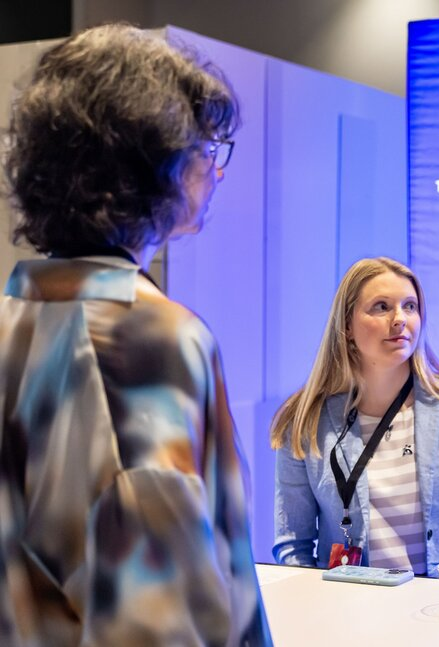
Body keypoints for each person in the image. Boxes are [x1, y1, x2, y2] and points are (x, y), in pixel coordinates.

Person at [0, 24, 272, 645]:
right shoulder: (147, 343)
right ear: (149, 165)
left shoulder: (13, 319)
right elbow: (157, 614)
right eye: (205, 147)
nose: (216, 171)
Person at [271, 257, 439, 579]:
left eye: (410, 306)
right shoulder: (305, 421)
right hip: (348, 606)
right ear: (347, 325)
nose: (399, 319)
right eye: (382, 307)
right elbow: (293, 546)